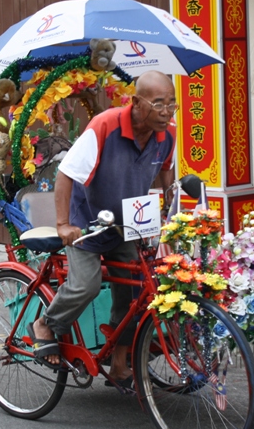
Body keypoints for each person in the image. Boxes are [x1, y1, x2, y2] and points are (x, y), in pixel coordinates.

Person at [29, 70, 177, 389]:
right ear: (137, 103)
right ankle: (46, 324)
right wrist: (64, 224)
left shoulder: (167, 134)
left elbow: (166, 171)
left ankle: (121, 365)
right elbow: (65, 175)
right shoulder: (105, 126)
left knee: (135, 290)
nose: (167, 111)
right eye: (159, 103)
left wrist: (168, 209)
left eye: (173, 104)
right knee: (87, 285)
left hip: (128, 224)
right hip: (86, 223)